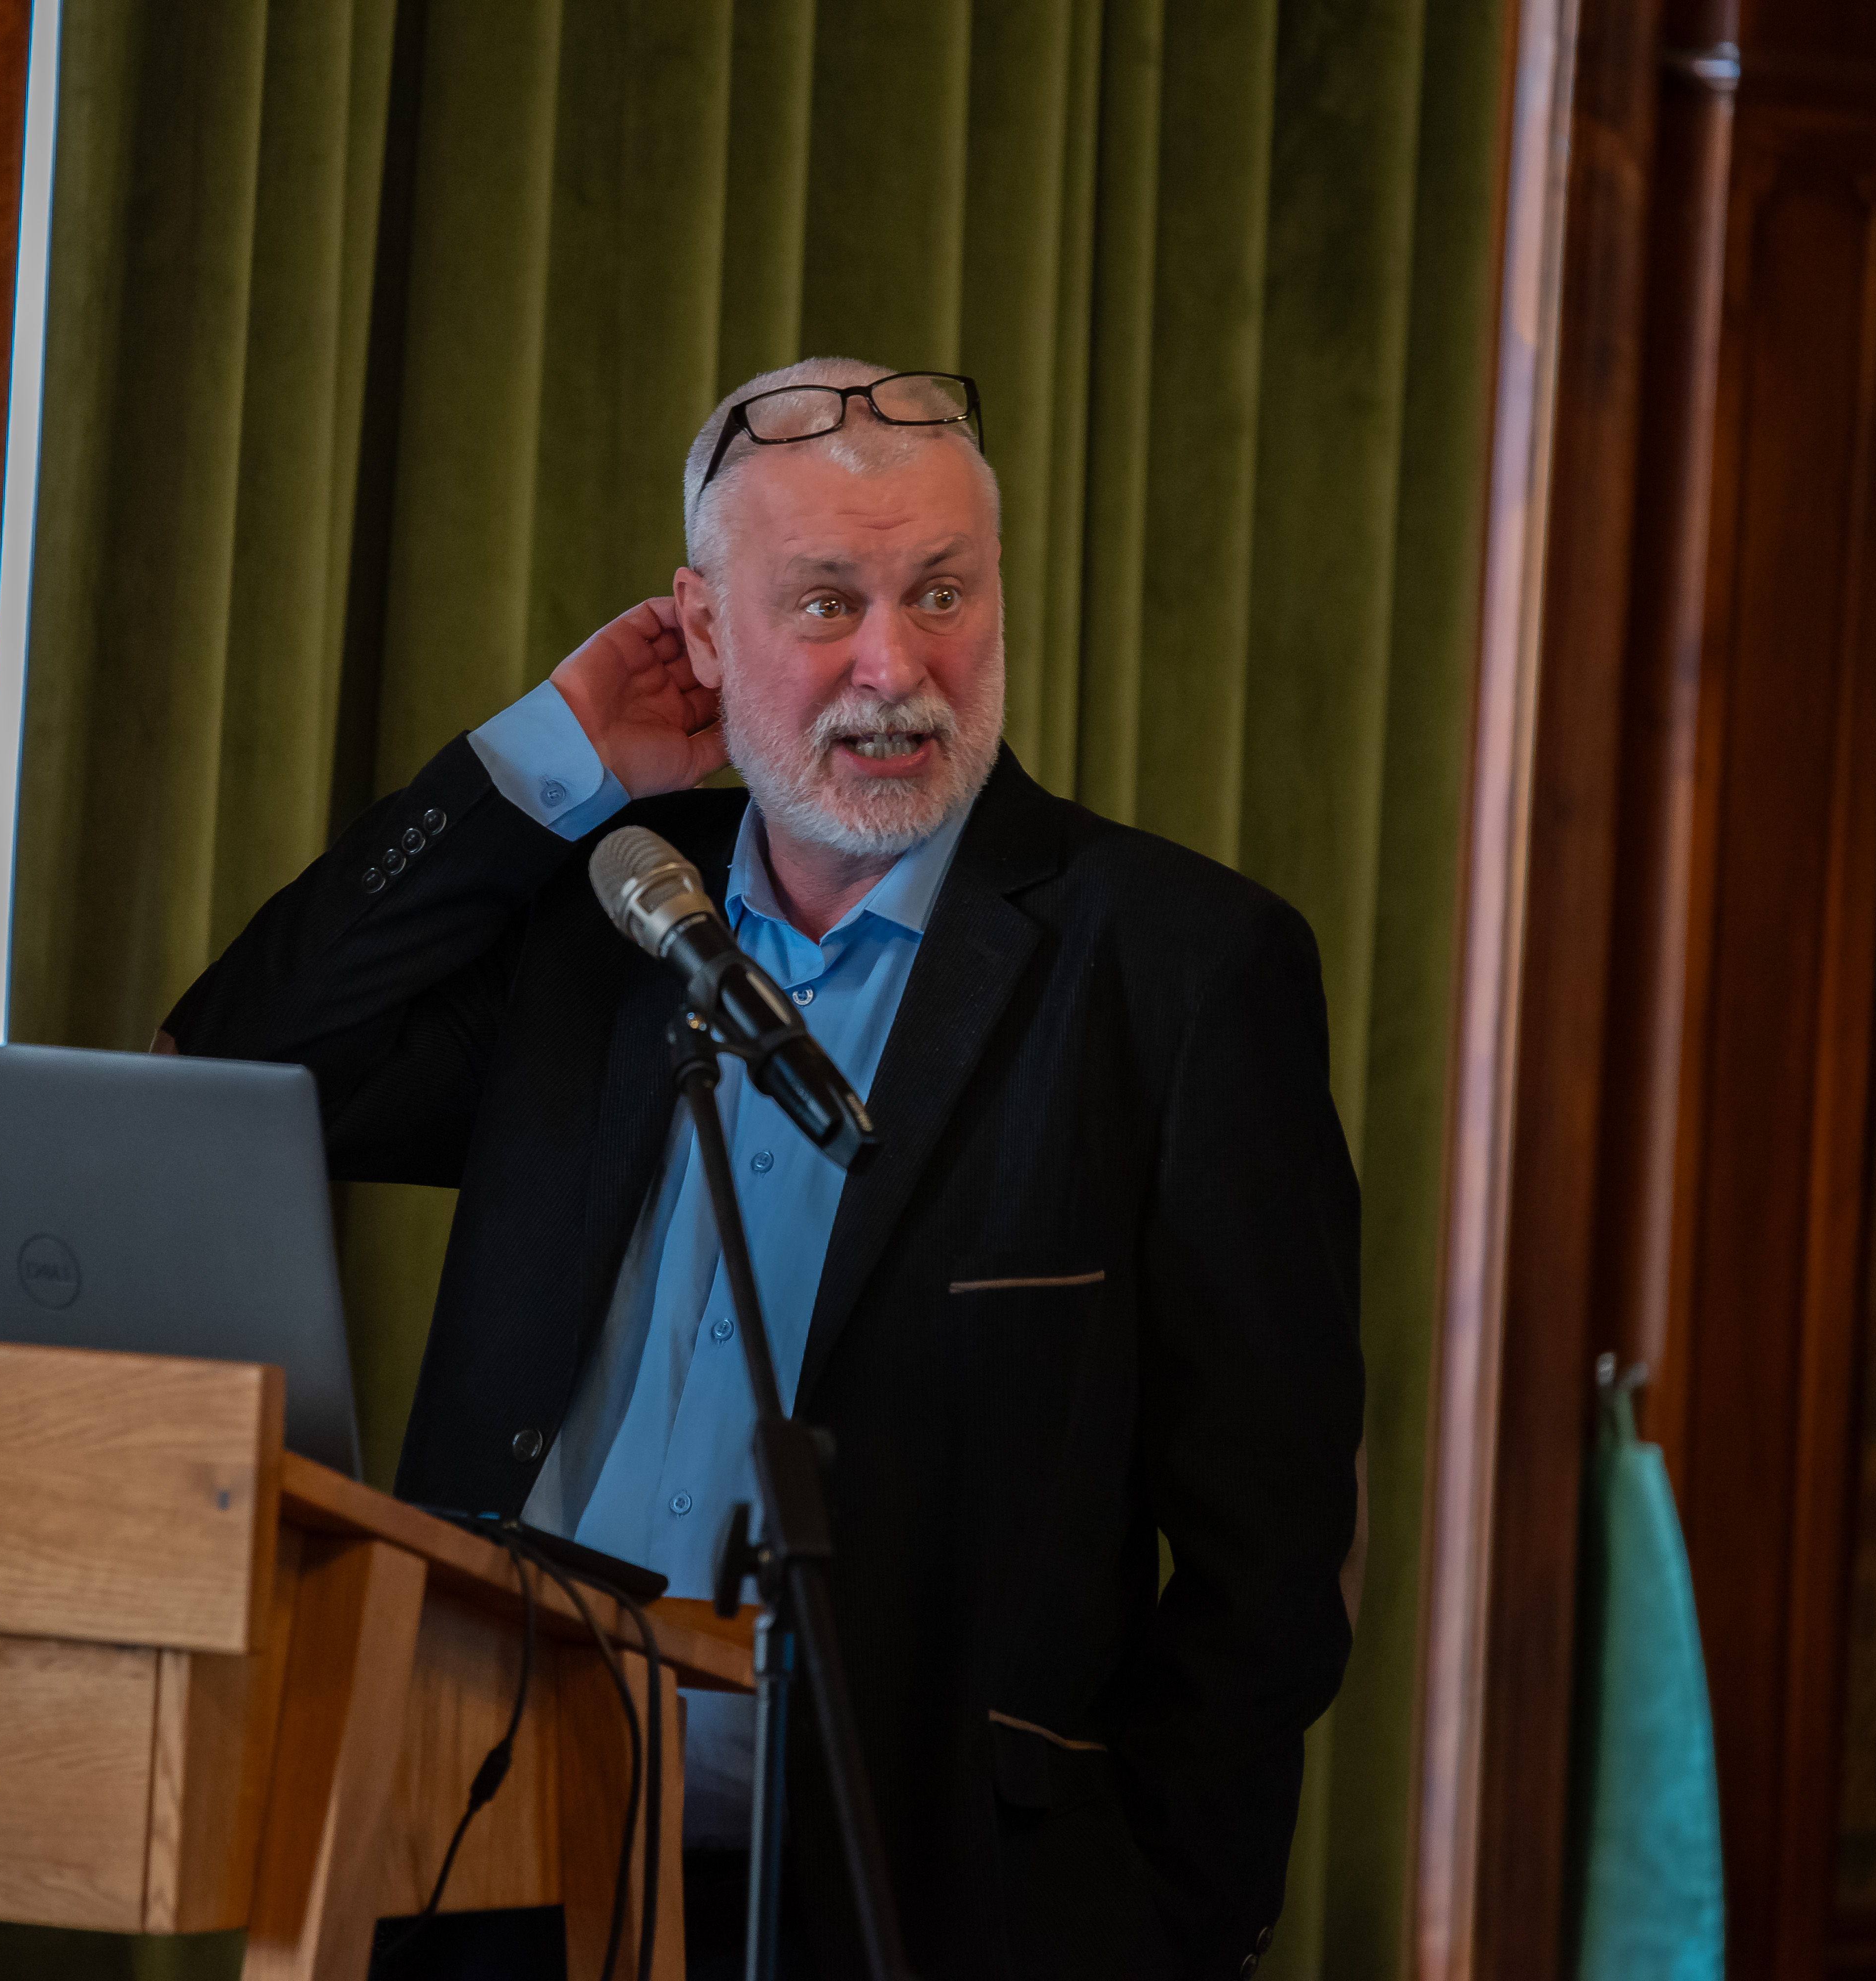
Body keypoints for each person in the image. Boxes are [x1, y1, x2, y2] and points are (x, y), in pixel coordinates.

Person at [159, 357, 1362, 1979]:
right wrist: (549, 760)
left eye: (942, 594)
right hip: (490, 1854)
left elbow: (1275, 1544)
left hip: (927, 1905)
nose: (895, 669)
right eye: (824, 604)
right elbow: (244, 1064)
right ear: (706, 631)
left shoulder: (1179, 968)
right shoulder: (599, 914)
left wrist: (1161, 1924)